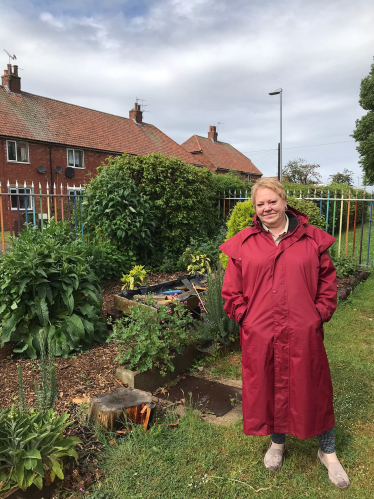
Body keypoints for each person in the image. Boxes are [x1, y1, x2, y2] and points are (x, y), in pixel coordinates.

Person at [220, 178, 350, 489]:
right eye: (260, 204)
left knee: (314, 385)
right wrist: (245, 317)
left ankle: (328, 451)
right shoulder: (244, 242)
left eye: (272, 201)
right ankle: (277, 444)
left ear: (283, 200)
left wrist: (317, 315)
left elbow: (327, 283)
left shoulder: (311, 240)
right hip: (261, 331)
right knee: (269, 384)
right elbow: (231, 291)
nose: (267, 208)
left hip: (302, 329)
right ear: (255, 208)